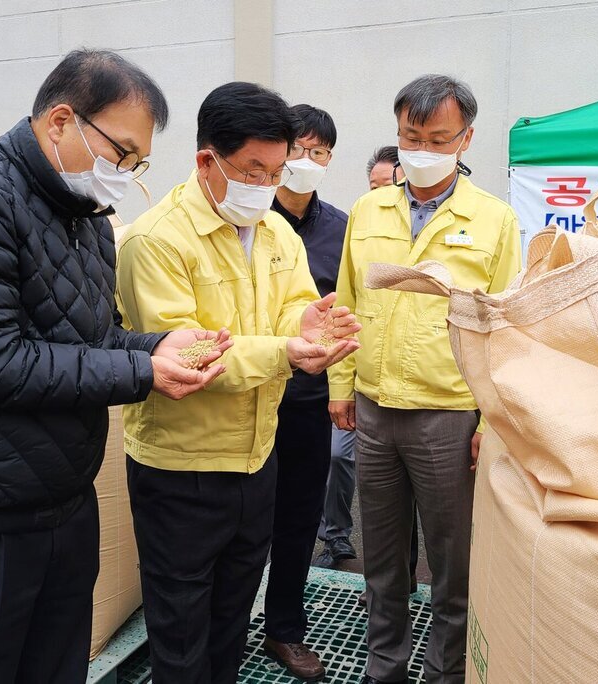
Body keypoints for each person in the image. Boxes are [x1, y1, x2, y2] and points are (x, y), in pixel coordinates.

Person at [0, 50, 229, 684]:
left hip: (63, 503)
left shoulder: (86, 221)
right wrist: (145, 374)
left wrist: (156, 348)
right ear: (63, 121)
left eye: (137, 162)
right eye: (120, 153)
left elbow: (91, 341)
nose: (125, 173)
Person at [115, 82, 361, 684]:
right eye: (255, 170)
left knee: (231, 614)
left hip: (257, 456)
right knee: (180, 622)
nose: (268, 186)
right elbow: (190, 355)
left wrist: (307, 326)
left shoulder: (276, 232)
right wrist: (288, 350)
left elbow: (294, 305)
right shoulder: (156, 240)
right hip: (181, 467)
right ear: (207, 160)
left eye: (277, 172)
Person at [329, 74, 522, 684]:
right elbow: (345, 301)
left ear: (465, 139)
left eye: (437, 138)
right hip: (375, 407)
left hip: (448, 413)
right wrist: (341, 385)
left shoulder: (493, 221)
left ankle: (447, 671)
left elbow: (505, 327)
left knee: (451, 563)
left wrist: (491, 418)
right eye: (410, 136)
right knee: (383, 560)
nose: (421, 150)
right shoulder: (368, 208)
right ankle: (383, 668)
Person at [260, 104, 348, 681]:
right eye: (297, 150)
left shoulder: (341, 227)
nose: (306, 162)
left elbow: (346, 310)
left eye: (318, 153)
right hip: (246, 388)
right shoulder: (248, 216)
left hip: (307, 399)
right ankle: (226, 619)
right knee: (240, 519)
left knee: (297, 516)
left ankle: (284, 629)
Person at [316, 145, 419, 608]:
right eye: (375, 185)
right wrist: (342, 386)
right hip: (359, 379)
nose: (383, 193)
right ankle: (340, 540)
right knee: (345, 464)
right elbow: (347, 303)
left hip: (427, 391)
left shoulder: (482, 219)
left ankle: (406, 579)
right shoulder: (360, 220)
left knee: (414, 498)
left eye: (389, 185)